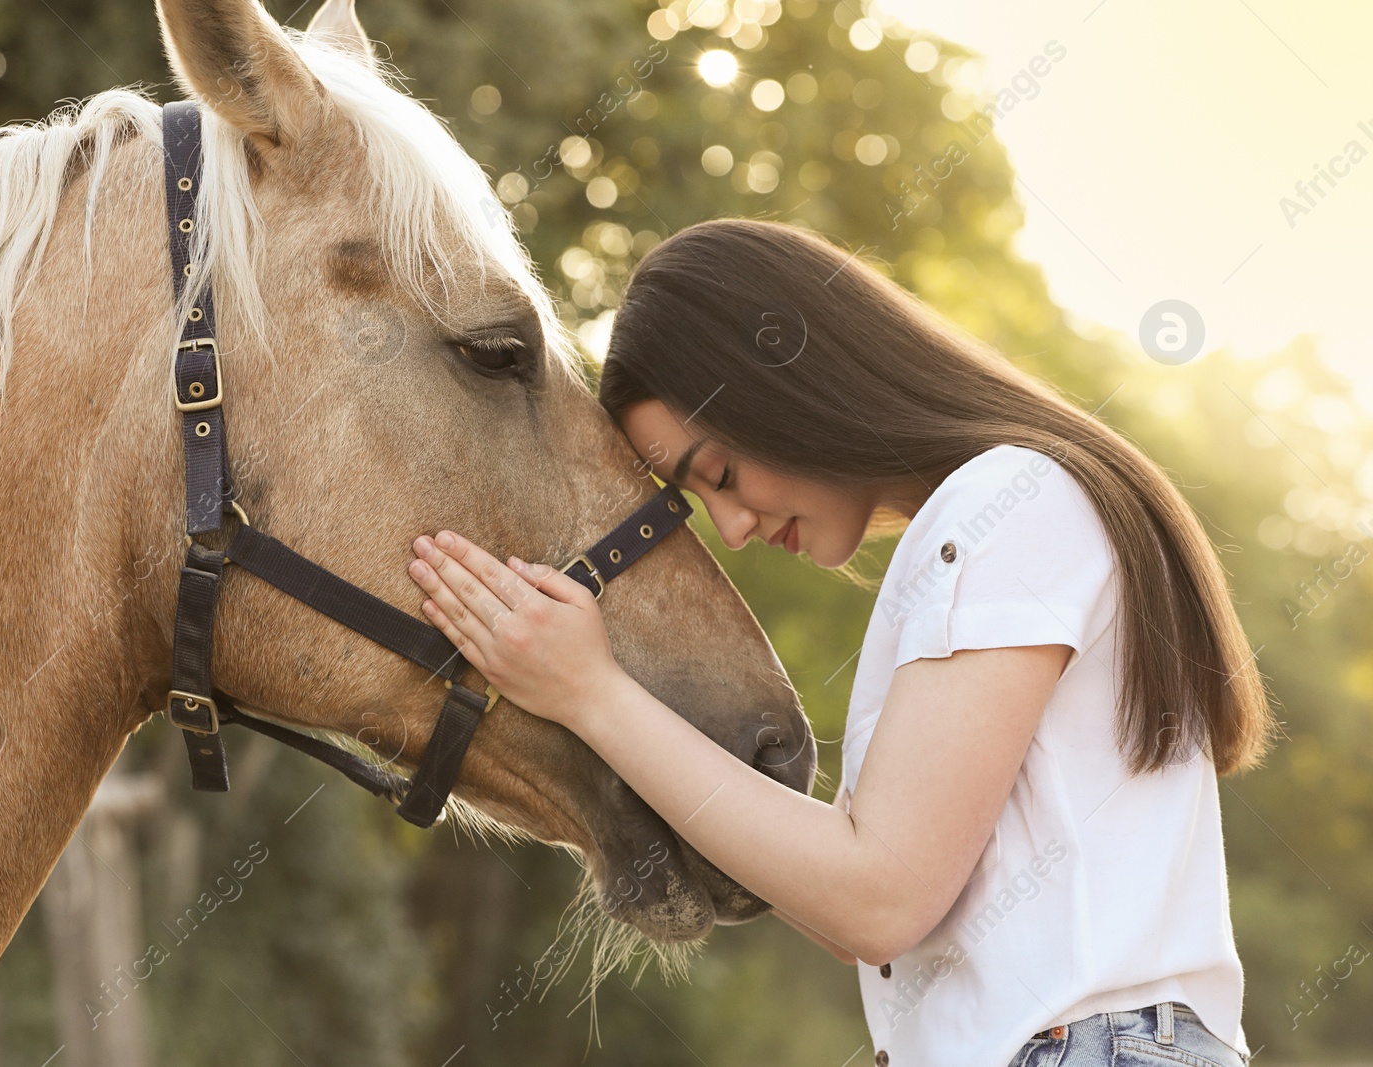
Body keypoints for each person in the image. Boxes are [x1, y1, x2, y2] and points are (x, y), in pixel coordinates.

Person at [403, 218, 1273, 1067]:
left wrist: (592, 693)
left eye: (721, 475)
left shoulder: (1009, 505)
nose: (735, 527)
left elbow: (879, 900)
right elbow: (858, 909)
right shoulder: (998, 518)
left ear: (786, 386)